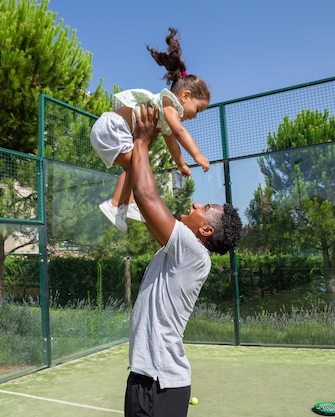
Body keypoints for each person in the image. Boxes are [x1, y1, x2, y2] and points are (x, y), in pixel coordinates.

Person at [124, 102, 243, 417]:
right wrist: (140, 148)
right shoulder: (178, 250)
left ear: (204, 229)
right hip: (146, 376)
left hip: (161, 383)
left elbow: (148, 196)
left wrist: (141, 141)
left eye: (202, 207)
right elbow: (141, 196)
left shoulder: (192, 251)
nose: (194, 202)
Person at [91, 27, 211, 233]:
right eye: (197, 109)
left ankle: (122, 205)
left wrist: (181, 163)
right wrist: (198, 155)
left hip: (108, 129)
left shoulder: (166, 115)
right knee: (138, 164)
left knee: (136, 164)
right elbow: (180, 133)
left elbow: (172, 141)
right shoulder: (169, 104)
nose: (195, 115)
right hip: (112, 128)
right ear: (185, 96)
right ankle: (116, 205)